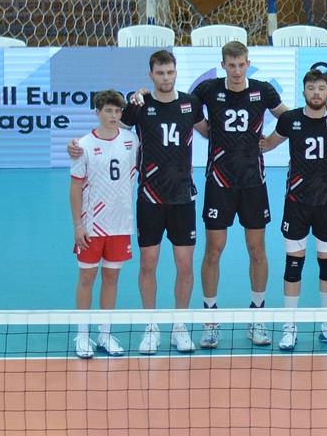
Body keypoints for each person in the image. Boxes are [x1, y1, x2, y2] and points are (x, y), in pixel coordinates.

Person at [69, 50, 208, 353]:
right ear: (150, 75)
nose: (166, 78)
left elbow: (210, 132)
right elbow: (111, 132)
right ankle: (151, 326)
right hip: (149, 198)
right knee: (148, 263)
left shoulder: (191, 104)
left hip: (183, 197)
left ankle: (180, 327)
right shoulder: (139, 107)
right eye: (160, 73)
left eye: (170, 72)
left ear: (175, 72)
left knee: (185, 264)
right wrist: (76, 147)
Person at [190, 41, 290, 349]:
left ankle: (257, 316)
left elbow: (290, 119)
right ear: (223, 65)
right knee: (214, 250)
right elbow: (182, 109)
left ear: (248, 63)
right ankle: (210, 320)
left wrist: (272, 142)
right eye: (231, 65)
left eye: (241, 64)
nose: (236, 71)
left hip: (253, 182)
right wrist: (208, 132)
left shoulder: (262, 90)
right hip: (219, 181)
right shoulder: (208, 89)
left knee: (256, 249)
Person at [257, 70, 327, 351]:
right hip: (296, 203)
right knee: (293, 264)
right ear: (303, 92)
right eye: (311, 88)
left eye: (321, 88)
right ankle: (289, 327)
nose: (316, 93)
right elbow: (267, 144)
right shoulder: (290, 119)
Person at [69, 91, 139, 358]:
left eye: (117, 111)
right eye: (108, 110)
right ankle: (82, 335)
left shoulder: (132, 140)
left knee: (111, 278)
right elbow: (75, 188)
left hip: (121, 224)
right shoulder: (83, 145)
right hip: (92, 226)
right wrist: (78, 226)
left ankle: (105, 334)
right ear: (97, 112)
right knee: (87, 278)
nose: (113, 116)